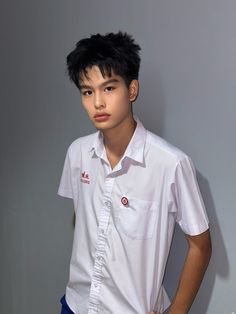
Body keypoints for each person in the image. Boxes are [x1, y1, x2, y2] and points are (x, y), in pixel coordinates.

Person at [58, 32, 212, 314]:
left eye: (109, 88)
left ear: (131, 90)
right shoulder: (77, 153)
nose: (98, 103)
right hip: (76, 305)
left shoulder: (171, 164)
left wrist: (177, 310)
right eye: (87, 92)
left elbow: (201, 246)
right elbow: (82, 217)